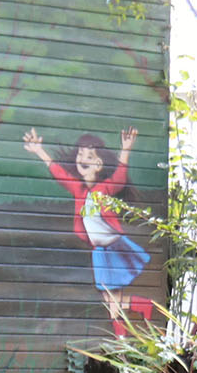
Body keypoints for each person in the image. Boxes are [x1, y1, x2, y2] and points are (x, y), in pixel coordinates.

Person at [21, 126, 155, 334]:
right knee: (109, 299)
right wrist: (39, 151)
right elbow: (60, 173)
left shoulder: (105, 188)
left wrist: (126, 149)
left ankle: (122, 339)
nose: (82, 159)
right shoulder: (79, 190)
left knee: (112, 299)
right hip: (100, 252)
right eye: (80, 155)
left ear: (99, 164)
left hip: (115, 248)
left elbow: (120, 176)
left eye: (89, 156)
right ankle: (141, 307)